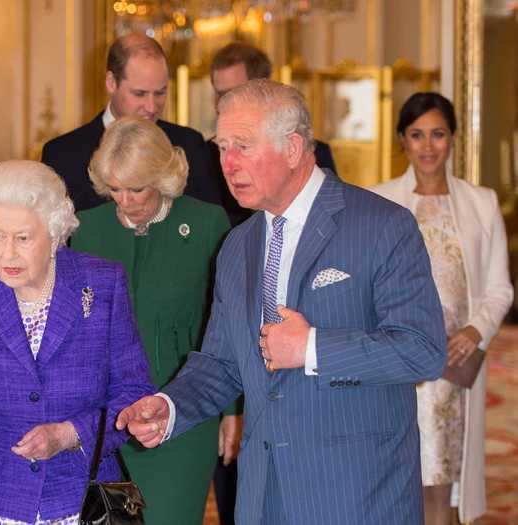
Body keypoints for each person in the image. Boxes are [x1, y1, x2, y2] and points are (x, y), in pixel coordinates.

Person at [116, 79, 447, 524]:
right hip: (263, 495)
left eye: (243, 146)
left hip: (357, 495)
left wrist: (312, 348)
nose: (227, 163)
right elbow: (222, 364)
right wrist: (171, 406)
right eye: (222, 146)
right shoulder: (237, 247)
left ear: (293, 149)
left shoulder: (382, 226)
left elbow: (421, 350)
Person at [0, 160, 155, 525]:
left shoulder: (101, 284)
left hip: (78, 497)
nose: (7, 254)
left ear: (54, 235)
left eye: (22, 238)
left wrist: (69, 434)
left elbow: (133, 392)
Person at [71, 117, 231, 525]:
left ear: (164, 176)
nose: (124, 200)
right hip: (108, 420)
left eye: (136, 188)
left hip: (183, 412)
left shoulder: (207, 224)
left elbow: (227, 326)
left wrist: (234, 410)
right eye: (115, 188)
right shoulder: (87, 229)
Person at [371, 92, 513, 525]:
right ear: (402, 140)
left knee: (445, 488)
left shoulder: (480, 203)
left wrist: (475, 333)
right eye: (417, 135)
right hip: (401, 365)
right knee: (401, 481)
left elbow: (499, 289)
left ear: (452, 139)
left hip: (456, 364)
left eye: (437, 134)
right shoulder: (380, 201)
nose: (428, 146)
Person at [41, 32, 221, 212]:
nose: (151, 107)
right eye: (139, 94)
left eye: (160, 93)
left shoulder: (190, 145)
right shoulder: (61, 155)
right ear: (111, 83)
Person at [209, 42, 338, 225]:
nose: (223, 102)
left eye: (234, 92)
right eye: (218, 93)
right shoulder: (203, 154)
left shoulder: (312, 152)